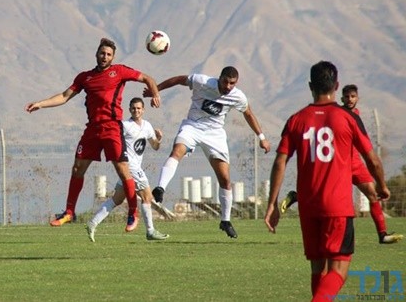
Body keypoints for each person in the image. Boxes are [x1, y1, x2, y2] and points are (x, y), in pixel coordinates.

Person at [264, 61, 391, 301]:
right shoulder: (347, 117)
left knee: (317, 268)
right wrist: (382, 186)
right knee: (339, 270)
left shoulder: (296, 120)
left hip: (308, 207)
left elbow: (280, 162)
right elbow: (372, 160)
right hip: (337, 207)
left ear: (310, 86)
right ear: (337, 85)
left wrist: (272, 204)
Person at [25, 38, 161, 231]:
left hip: (112, 128)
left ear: (113, 57)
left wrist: (155, 94)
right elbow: (64, 96)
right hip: (92, 130)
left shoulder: (119, 71)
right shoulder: (85, 77)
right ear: (96, 54)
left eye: (108, 54)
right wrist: (40, 104)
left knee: (123, 169)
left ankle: (133, 212)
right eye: (102, 53)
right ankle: (69, 212)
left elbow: (148, 78)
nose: (105, 57)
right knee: (77, 168)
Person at [145, 66, 271, 238]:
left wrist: (262, 137)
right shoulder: (202, 82)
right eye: (225, 82)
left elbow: (248, 113)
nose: (228, 86)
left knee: (225, 179)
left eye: (232, 83)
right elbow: (179, 79)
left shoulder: (237, 96)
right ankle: (160, 188)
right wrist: (155, 90)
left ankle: (225, 221)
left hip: (215, 134)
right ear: (220, 78)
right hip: (193, 126)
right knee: (177, 151)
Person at [279, 84, 402, 244]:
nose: (350, 99)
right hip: (338, 164)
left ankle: (382, 234)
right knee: (324, 196)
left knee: (372, 194)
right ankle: (297, 196)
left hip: (355, 164)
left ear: (357, 98)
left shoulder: (355, 115)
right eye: (347, 96)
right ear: (341, 97)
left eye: (353, 96)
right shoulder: (337, 114)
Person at [86, 97, 170, 242]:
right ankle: (150, 231)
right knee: (147, 197)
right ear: (129, 109)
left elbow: (155, 146)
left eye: (139, 108)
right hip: (130, 166)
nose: (136, 110)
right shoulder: (125, 125)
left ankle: (92, 223)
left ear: (143, 110)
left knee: (117, 199)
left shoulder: (147, 126)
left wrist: (159, 139)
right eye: (133, 108)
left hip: (131, 168)